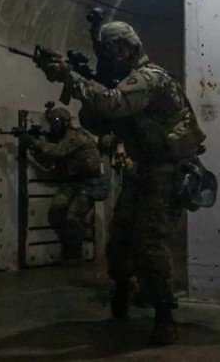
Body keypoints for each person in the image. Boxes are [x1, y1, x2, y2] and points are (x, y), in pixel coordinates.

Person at [38, 21, 207, 345]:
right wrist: (83, 85)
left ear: (127, 48)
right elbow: (97, 120)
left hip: (167, 172)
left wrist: (71, 78)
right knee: (120, 240)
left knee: (149, 243)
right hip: (141, 171)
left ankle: (164, 315)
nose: (107, 56)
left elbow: (113, 103)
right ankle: (123, 291)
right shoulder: (124, 82)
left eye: (111, 50)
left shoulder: (149, 78)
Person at [21, 106, 104, 266]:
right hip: (74, 182)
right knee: (57, 208)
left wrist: (33, 141)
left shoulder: (75, 137)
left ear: (64, 123)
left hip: (89, 183)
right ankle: (74, 238)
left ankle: (76, 249)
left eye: (56, 122)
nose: (53, 126)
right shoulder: (64, 137)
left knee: (72, 216)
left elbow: (58, 151)